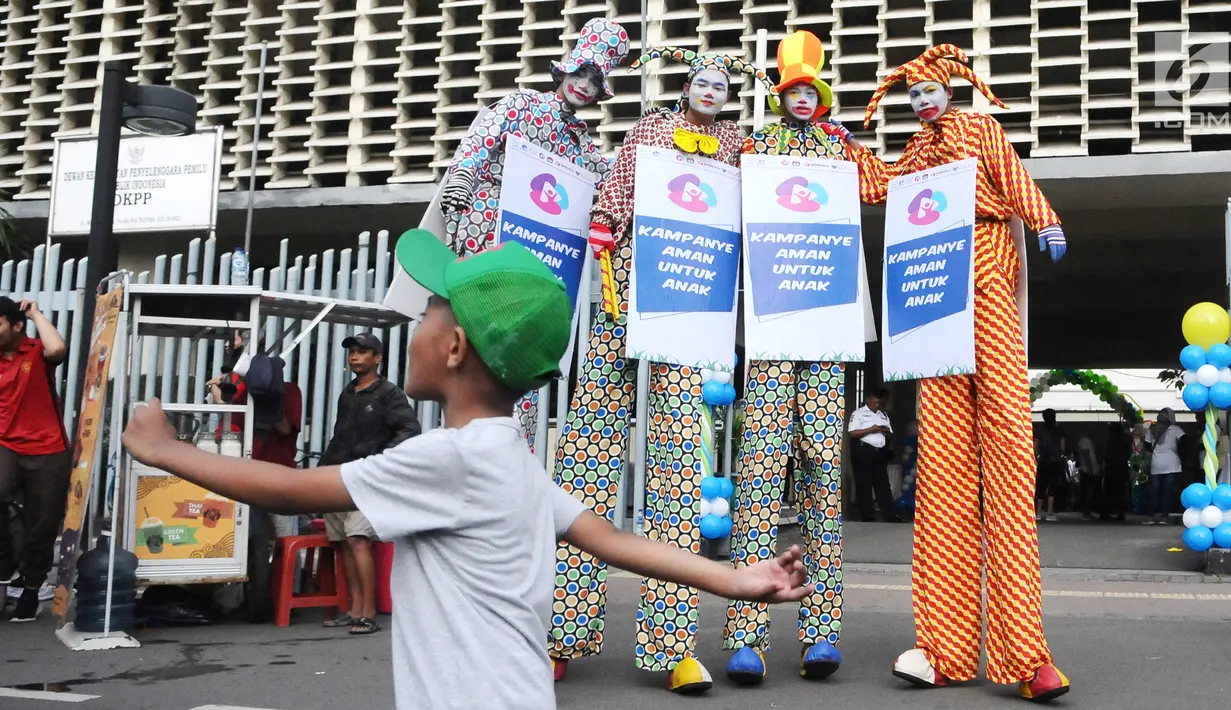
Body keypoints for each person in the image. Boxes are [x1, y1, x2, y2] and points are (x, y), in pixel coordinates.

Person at [118, 228, 813, 710]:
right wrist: (733, 579)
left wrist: (168, 451)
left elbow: (294, 488)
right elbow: (609, 538)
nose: (410, 329)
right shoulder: (507, 455)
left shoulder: (447, 458)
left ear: (452, 348)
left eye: (423, 315)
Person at [841, 44, 1070, 701]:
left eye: (929, 91)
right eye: (910, 95)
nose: (920, 102)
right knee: (941, 469)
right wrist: (842, 145)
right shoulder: (913, 152)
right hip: (933, 304)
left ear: (950, 89)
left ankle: (1025, 658)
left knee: (1006, 457)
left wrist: (1044, 218)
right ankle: (941, 649)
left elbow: (1010, 172)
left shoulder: (978, 129)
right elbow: (877, 183)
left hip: (986, 279)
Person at [548, 46, 773, 693]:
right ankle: (561, 633)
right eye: (701, 81)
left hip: (688, 312)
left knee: (677, 468)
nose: (710, 90)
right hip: (629, 293)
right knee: (588, 453)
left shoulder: (735, 142)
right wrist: (602, 228)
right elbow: (615, 189)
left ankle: (672, 644)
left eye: (720, 84)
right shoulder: (647, 127)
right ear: (683, 84)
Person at [723, 30, 852, 687]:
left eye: (811, 91)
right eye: (793, 92)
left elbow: (890, 191)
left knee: (824, 481)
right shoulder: (756, 145)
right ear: (781, 99)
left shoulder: (842, 149)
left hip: (826, 334)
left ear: (821, 97)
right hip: (774, 330)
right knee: (758, 481)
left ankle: (820, 635)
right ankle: (746, 637)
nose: (802, 101)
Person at [439, 18, 628, 453]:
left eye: (595, 81)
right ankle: (460, 446)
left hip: (531, 266)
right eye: (580, 73)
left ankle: (509, 452)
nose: (584, 86)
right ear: (563, 72)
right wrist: (464, 176)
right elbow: (481, 138)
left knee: (516, 353)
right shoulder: (521, 105)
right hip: (487, 235)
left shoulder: (583, 147)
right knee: (472, 345)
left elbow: (613, 183)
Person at [318, 332, 421, 635]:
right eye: (352, 352)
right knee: (342, 544)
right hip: (337, 475)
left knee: (358, 540)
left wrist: (379, 462)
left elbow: (409, 430)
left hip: (367, 480)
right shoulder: (348, 393)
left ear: (377, 358)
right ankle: (353, 610)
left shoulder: (390, 394)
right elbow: (341, 434)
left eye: (362, 352)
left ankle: (369, 614)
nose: (354, 357)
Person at [0, 297, 69, 622]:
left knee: (42, 526)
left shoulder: (36, 351)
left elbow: (57, 349)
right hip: (5, 445)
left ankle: (30, 589)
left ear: (16, 325)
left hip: (48, 448)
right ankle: (5, 563)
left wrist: (36, 313)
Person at [848, 388, 900, 523]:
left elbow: (891, 433)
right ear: (868, 399)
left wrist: (884, 430)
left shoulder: (883, 415)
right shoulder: (858, 413)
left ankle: (890, 515)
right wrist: (872, 429)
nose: (877, 405)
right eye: (875, 402)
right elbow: (852, 433)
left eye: (880, 403)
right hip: (863, 451)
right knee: (864, 483)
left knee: (883, 484)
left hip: (880, 453)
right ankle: (867, 516)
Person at [1144, 408, 1184, 525]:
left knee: (1154, 491)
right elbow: (1185, 441)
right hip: (1172, 464)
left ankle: (1150, 516)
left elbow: (1146, 446)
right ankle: (1164, 517)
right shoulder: (1175, 429)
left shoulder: (1151, 429)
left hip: (1156, 464)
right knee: (1167, 491)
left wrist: (1157, 451)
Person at [1035, 409, 1066, 523]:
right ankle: (1049, 512)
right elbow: (1062, 447)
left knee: (1041, 486)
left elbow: (1036, 446)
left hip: (1042, 460)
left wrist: (1039, 454)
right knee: (1052, 486)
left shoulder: (1039, 430)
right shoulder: (1059, 431)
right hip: (1055, 460)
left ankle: (1038, 513)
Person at [1101, 423, 1131, 522]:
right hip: (1122, 469)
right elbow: (1128, 454)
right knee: (1121, 492)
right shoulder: (1125, 442)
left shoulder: (1110, 442)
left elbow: (1106, 455)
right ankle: (1120, 513)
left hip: (1111, 469)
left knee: (1109, 491)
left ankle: (1105, 512)